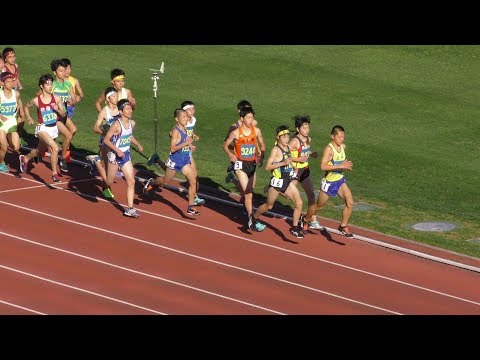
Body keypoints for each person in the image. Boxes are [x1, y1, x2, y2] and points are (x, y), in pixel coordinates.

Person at [143, 108, 201, 216]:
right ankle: (151, 182)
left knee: (192, 181)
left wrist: (190, 146)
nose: (186, 119)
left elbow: (185, 140)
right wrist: (186, 143)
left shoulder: (184, 128)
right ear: (177, 119)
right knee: (165, 182)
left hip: (184, 160)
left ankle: (190, 207)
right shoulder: (175, 130)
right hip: (175, 161)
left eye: (186, 117)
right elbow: (173, 148)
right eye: (183, 117)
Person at [251, 125, 304, 238]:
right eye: (284, 137)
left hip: (287, 180)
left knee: (299, 203)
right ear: (278, 138)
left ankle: (294, 228)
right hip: (277, 182)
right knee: (269, 206)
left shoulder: (288, 148)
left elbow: (288, 161)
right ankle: (254, 217)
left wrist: (293, 166)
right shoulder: (276, 150)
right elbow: (267, 167)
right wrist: (283, 163)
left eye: (287, 136)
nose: (286, 139)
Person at [301, 125, 354, 237]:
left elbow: (340, 162)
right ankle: (305, 220)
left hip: (340, 180)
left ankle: (343, 226)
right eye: (339, 136)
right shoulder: (329, 149)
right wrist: (341, 165)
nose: (342, 138)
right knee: (319, 206)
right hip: (329, 183)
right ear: (332, 136)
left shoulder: (342, 147)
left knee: (349, 202)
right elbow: (323, 166)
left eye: (343, 136)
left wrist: (344, 166)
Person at [223, 106, 265, 230]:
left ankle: (231, 179)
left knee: (249, 189)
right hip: (240, 164)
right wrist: (231, 154)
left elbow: (262, 143)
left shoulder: (256, 131)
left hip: (252, 164)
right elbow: (225, 145)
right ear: (242, 118)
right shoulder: (235, 133)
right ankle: (251, 218)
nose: (251, 120)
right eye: (248, 117)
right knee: (248, 193)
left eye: (252, 117)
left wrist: (262, 155)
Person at [20, 74, 66, 182]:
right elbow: (26, 106)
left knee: (39, 150)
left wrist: (57, 110)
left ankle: (25, 158)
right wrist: (29, 117)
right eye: (47, 84)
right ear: (42, 86)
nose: (50, 86)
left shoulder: (57, 98)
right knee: (55, 148)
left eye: (51, 84)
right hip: (42, 128)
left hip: (53, 128)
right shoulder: (37, 100)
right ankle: (54, 173)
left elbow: (63, 114)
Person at [103, 99, 144, 218]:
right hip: (115, 156)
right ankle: (104, 184)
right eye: (127, 109)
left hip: (125, 155)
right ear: (121, 112)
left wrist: (137, 144)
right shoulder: (116, 125)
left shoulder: (132, 123)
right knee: (109, 181)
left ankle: (130, 209)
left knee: (131, 181)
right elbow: (106, 140)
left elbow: (129, 135)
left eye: (130, 108)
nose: (130, 110)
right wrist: (117, 150)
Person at [288, 115, 325, 231]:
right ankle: (273, 188)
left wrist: (312, 154)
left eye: (308, 127)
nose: (307, 130)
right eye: (304, 128)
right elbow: (284, 154)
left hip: (305, 170)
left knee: (311, 195)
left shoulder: (308, 139)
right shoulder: (294, 141)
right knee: (288, 196)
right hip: (295, 171)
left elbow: (305, 154)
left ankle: (312, 220)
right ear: (298, 129)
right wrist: (297, 161)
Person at [87, 86, 120, 198]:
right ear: (108, 98)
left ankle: (106, 187)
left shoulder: (120, 109)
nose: (116, 97)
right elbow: (95, 128)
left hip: (117, 142)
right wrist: (106, 132)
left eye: (117, 95)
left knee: (111, 168)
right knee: (108, 167)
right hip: (105, 142)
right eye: (114, 96)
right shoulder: (104, 112)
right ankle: (96, 161)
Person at [50, 59, 77, 172]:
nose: (63, 72)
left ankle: (61, 154)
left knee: (73, 130)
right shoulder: (52, 85)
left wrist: (71, 100)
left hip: (63, 115)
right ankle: (63, 158)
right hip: (53, 116)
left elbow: (74, 99)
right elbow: (39, 96)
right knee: (68, 135)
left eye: (64, 70)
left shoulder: (68, 84)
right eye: (60, 71)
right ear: (55, 72)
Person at [181, 100, 205, 206]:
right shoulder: (182, 122)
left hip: (188, 152)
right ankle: (152, 182)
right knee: (166, 179)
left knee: (194, 176)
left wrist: (193, 135)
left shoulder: (193, 120)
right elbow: (181, 136)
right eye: (190, 109)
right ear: (184, 111)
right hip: (180, 152)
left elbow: (189, 132)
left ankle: (194, 197)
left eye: (193, 109)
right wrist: (189, 144)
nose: (193, 111)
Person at [0, 72, 24, 172]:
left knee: (16, 147)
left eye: (12, 81)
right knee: (4, 146)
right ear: (2, 83)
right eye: (8, 82)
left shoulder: (16, 94)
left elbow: (18, 104)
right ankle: (1, 163)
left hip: (11, 122)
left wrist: (20, 114)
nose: (11, 84)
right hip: (1, 123)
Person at [2, 48, 24, 135]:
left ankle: (18, 136)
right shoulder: (4, 68)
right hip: (7, 94)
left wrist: (19, 84)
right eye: (10, 57)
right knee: (11, 116)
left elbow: (16, 76)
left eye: (14, 56)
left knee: (22, 115)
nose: (13, 58)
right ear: (5, 59)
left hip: (15, 93)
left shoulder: (15, 66)